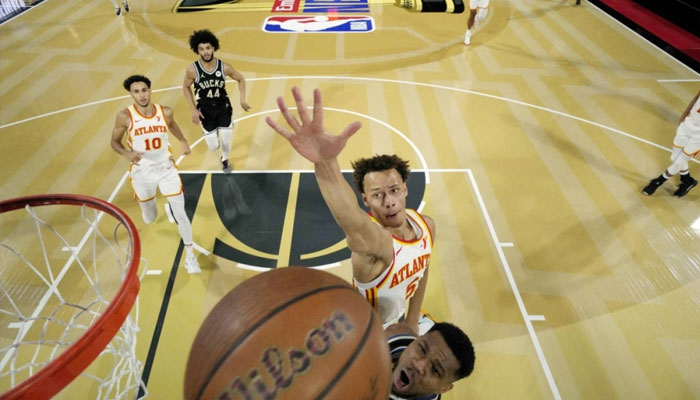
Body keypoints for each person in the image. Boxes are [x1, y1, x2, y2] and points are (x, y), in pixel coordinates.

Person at [266, 87, 434, 334]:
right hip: (366, 334)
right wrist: (324, 162)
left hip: (399, 321)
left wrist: (410, 321)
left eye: (394, 190)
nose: (389, 202)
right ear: (366, 200)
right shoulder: (375, 243)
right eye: (378, 195)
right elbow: (348, 215)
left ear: (406, 189)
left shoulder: (426, 225)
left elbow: (423, 267)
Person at [110, 75, 201, 274]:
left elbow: (172, 125)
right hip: (142, 172)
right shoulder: (125, 116)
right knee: (149, 217)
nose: (141, 95)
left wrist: (183, 140)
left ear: (150, 90)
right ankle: (157, 210)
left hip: (166, 169)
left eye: (144, 90)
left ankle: (191, 257)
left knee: (181, 213)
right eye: (136, 91)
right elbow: (114, 142)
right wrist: (127, 153)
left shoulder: (165, 111)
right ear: (131, 94)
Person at [183, 29, 251, 173]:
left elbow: (240, 79)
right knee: (213, 146)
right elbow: (186, 87)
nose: (206, 52)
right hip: (205, 110)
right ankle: (212, 137)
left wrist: (242, 100)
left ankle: (225, 159)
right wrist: (193, 109)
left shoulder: (224, 67)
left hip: (223, 108)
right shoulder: (192, 70)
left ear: (214, 47)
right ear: (197, 51)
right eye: (201, 49)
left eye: (208, 48)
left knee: (226, 141)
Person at [385, 321, 476, 399]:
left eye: (435, 370)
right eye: (422, 349)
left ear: (443, 388)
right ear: (417, 339)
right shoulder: (394, 335)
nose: (419, 366)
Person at [642, 90, 700, 198]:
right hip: (687, 124)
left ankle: (658, 181)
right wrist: (685, 113)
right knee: (674, 157)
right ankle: (687, 180)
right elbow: (697, 97)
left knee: (679, 161)